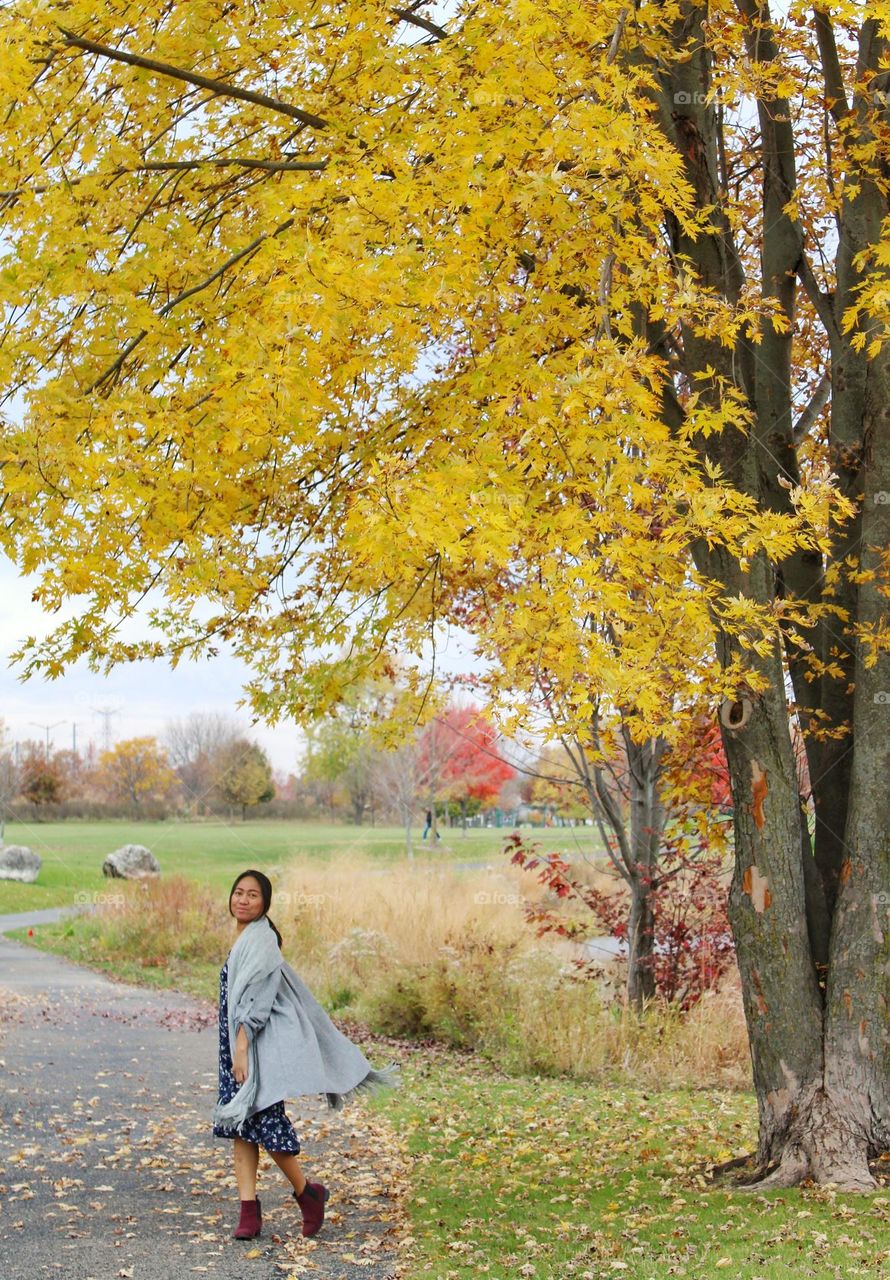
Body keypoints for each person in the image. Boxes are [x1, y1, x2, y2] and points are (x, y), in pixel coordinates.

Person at [213, 869, 399, 1242]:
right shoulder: (244, 938)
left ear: (265, 902)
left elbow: (259, 1002)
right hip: (234, 1044)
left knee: (266, 1124)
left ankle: (307, 1193)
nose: (243, 900)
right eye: (238, 893)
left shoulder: (262, 941)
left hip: (255, 1047)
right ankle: (248, 1211)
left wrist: (243, 1047)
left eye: (252, 894)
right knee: (241, 1128)